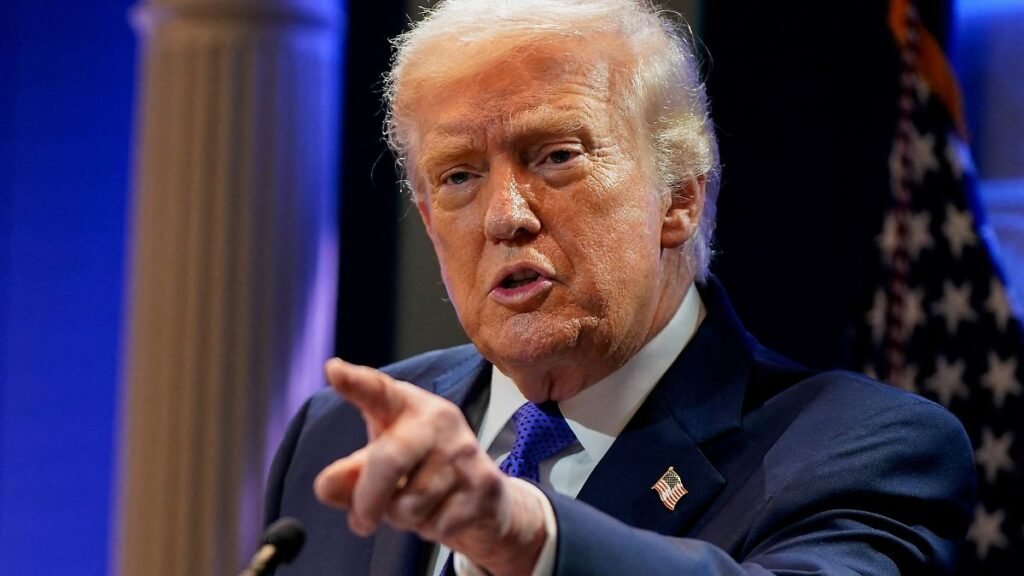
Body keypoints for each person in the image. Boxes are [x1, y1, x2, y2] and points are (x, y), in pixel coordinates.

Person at [264, 1, 976, 574]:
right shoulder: (340, 435)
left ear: (680, 197)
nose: (505, 215)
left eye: (556, 156)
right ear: (426, 219)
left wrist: (523, 536)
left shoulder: (867, 448)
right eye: (458, 176)